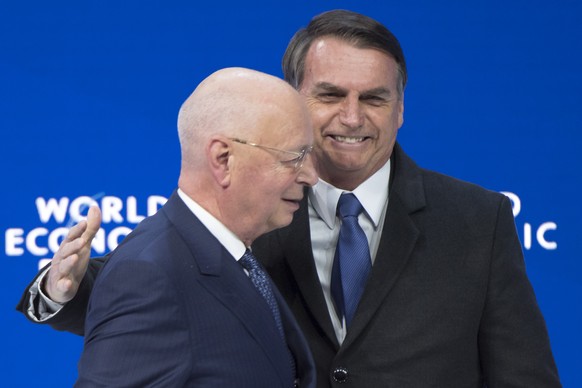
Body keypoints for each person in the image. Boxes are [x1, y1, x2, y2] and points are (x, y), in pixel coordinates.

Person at [17, 10, 561, 387]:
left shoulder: (478, 219)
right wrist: (60, 289)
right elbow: (148, 295)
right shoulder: (248, 207)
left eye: (374, 98)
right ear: (292, 100)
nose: (352, 118)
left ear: (401, 108)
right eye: (330, 95)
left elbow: (523, 376)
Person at [35, 67, 318, 387]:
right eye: (293, 157)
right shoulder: (149, 273)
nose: (311, 175)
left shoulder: (237, 251)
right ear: (224, 160)